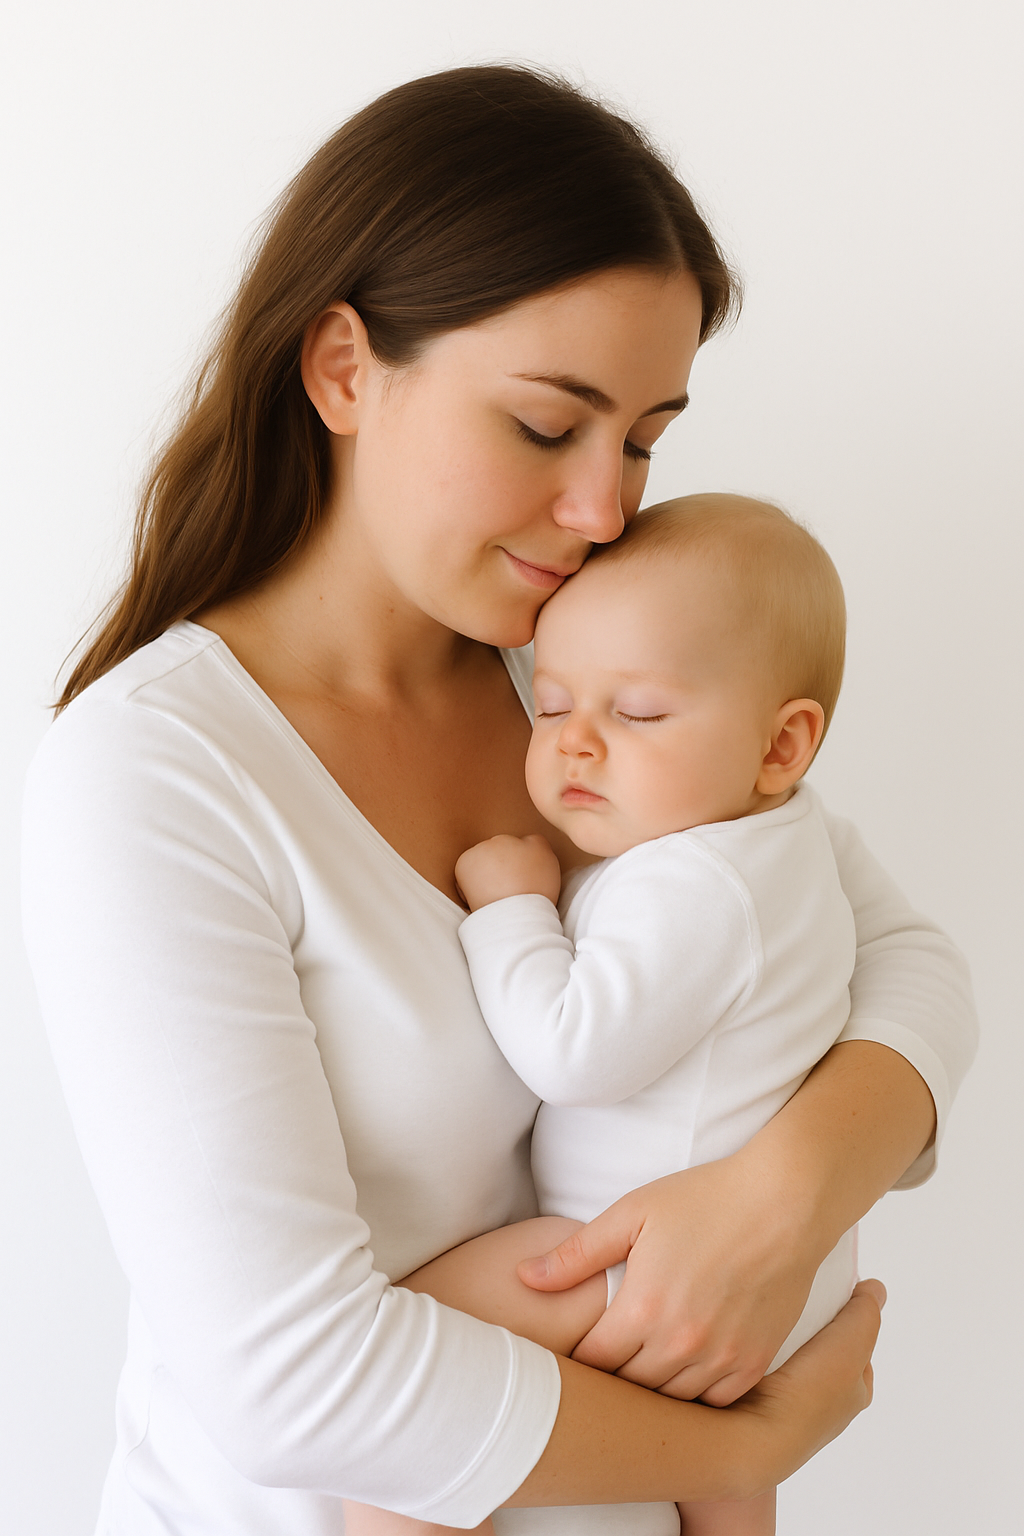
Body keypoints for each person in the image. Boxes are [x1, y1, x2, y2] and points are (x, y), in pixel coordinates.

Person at [20, 65, 974, 1536]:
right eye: (547, 427)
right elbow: (289, 1385)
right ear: (345, 370)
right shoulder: (155, 773)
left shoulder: (589, 688)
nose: (605, 509)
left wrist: (779, 1201)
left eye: (646, 437)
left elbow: (901, 958)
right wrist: (735, 1451)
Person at [343, 492, 863, 1536]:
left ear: (780, 746)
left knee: (407, 1380)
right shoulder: (786, 841)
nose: (575, 747)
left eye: (634, 715)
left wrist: (512, 911)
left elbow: (572, 1053)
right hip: (785, 1267)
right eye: (553, 706)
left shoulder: (695, 884)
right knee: (725, 1492)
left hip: (645, 1264)